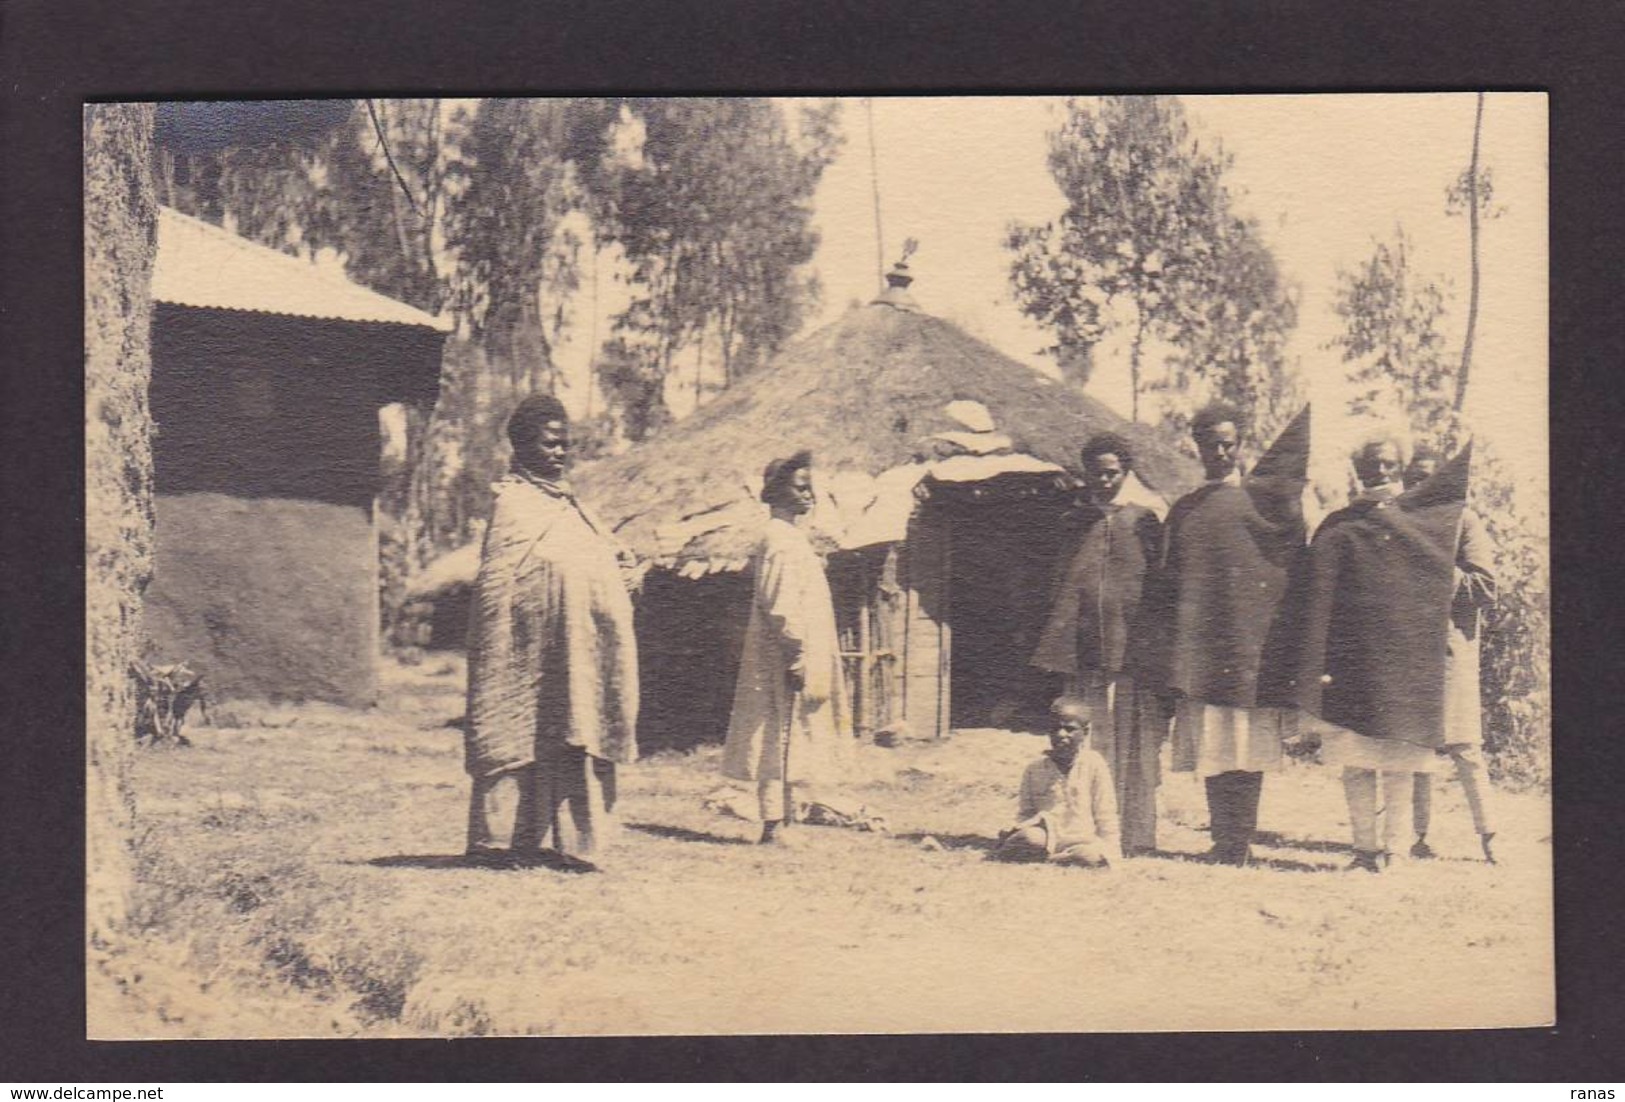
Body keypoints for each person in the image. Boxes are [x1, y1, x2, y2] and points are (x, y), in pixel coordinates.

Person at [1263, 435, 1478, 872]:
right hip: (1352, 660)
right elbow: (1315, 590)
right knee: (1354, 759)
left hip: (1403, 659)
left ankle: (1394, 849)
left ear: (1400, 467)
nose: (1377, 471)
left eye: (1385, 464)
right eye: (1369, 463)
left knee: (1398, 761)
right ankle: (1363, 849)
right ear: (1357, 468)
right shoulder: (1339, 524)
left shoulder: (1425, 525)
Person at [463, 394, 640, 866]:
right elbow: (502, 581)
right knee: (519, 734)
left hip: (576, 648)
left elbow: (598, 556)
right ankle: (500, 843)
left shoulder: (573, 505)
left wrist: (619, 568)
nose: (560, 453)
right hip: (525, 652)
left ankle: (575, 846)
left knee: (576, 731)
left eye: (565, 444)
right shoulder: (514, 504)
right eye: (549, 444)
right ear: (522, 446)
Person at [1148, 403, 1310, 866]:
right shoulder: (1185, 511)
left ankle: (1240, 839)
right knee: (1215, 749)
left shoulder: (1269, 508)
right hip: (1204, 649)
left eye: (1228, 443)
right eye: (1210, 444)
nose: (1220, 452)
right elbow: (1169, 581)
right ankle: (1223, 838)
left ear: (1242, 444)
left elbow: (1290, 568)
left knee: (1246, 748)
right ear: (1196, 446)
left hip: (1248, 650)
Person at [1032, 432, 1164, 855]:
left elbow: (1158, 586)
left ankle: (1132, 834)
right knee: (1085, 741)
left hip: (1130, 659)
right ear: (1086, 474)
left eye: (1113, 473)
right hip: (1084, 655)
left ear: (1126, 473)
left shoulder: (1145, 520)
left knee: (1129, 746)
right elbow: (1060, 585)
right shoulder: (1073, 522)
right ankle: (1077, 830)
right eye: (1097, 473)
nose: (1105, 481)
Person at [722, 451, 854, 845]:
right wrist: (796, 654)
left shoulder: (793, 539)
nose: (809, 496)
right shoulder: (777, 540)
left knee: (793, 734)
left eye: (811, 488)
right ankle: (773, 824)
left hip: (796, 652)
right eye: (800, 488)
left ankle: (787, 820)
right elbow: (780, 605)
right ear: (777, 492)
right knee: (775, 735)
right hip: (780, 656)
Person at [1403, 447, 1500, 864]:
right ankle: (1419, 835)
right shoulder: (1400, 521)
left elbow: (1486, 587)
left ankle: (1490, 836)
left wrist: (1438, 563)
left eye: (1427, 477)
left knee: (1465, 747)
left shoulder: (1465, 521)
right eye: (1413, 479)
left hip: (1452, 648)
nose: (1419, 486)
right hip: (1408, 648)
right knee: (1415, 746)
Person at [992, 697, 1119, 867]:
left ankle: (1050, 860)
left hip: (1081, 841)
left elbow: (1106, 814)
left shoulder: (1094, 765)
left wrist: (1111, 851)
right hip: (1046, 836)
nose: (1061, 734)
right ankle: (1048, 856)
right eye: (1055, 729)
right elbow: (1026, 812)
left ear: (1085, 732)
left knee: (1090, 857)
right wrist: (1020, 829)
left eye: (1070, 729)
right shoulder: (1034, 768)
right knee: (1029, 838)